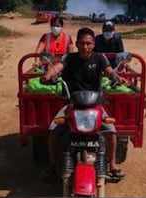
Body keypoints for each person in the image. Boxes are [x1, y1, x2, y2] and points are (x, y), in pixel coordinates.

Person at [40, 27, 129, 180]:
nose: (85, 46)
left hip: (95, 105)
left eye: (88, 43)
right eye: (82, 43)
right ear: (77, 44)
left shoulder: (99, 57)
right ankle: (53, 165)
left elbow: (109, 71)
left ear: (93, 44)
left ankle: (113, 164)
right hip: (72, 105)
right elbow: (57, 67)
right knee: (53, 130)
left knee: (111, 130)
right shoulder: (69, 57)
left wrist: (117, 77)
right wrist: (48, 75)